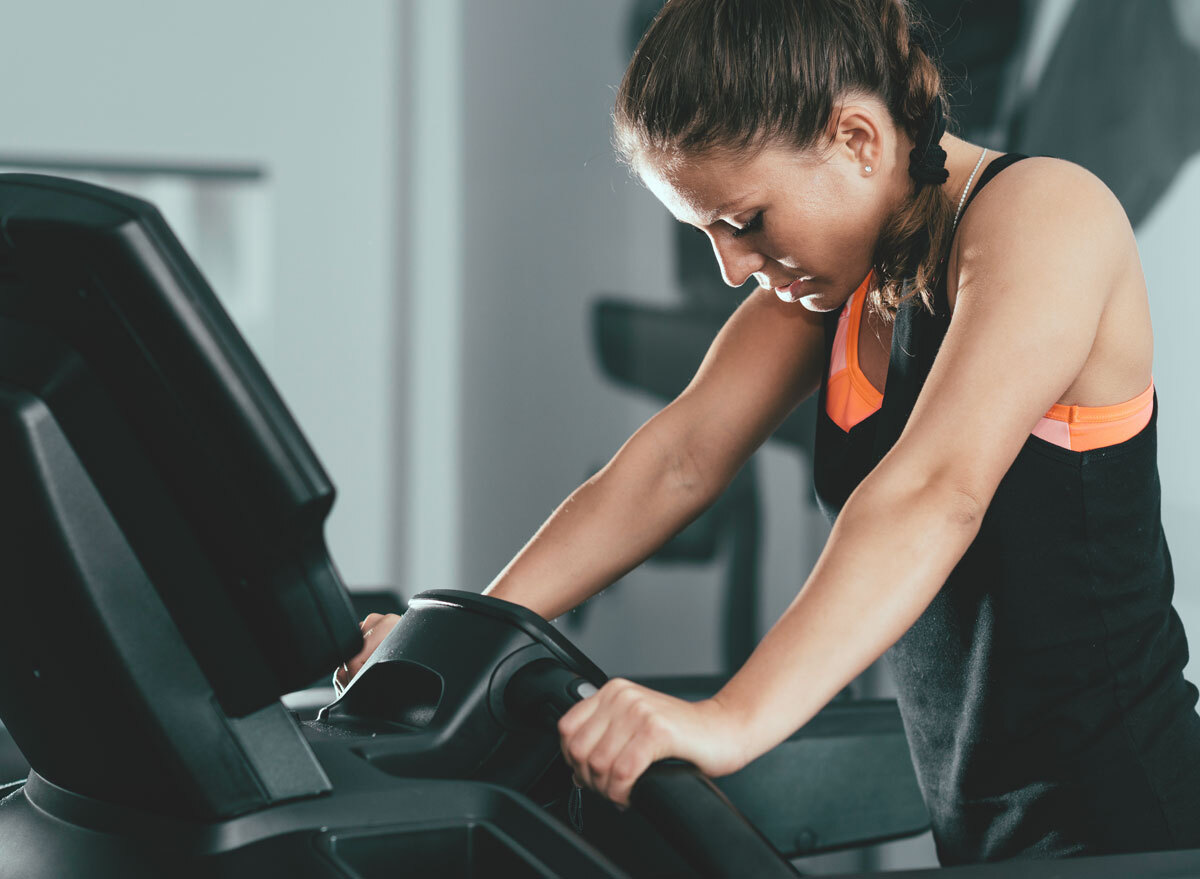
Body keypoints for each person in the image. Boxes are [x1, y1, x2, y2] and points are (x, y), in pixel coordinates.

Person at [337, 0, 1200, 865]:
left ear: (857, 139)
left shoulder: (1047, 215)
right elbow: (676, 460)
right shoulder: (839, 285)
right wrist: (453, 636)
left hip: (1135, 826)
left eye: (746, 222)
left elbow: (936, 494)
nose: (733, 266)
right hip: (984, 835)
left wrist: (727, 720)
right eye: (708, 230)